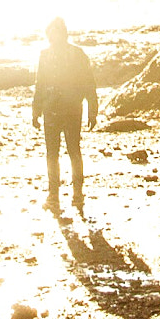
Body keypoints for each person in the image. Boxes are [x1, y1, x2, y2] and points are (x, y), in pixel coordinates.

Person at [32, 17, 98, 213]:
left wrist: (92, 111)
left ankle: (77, 194)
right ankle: (54, 195)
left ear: (64, 33)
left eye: (57, 32)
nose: (53, 37)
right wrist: (35, 111)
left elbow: (89, 84)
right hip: (51, 111)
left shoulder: (77, 55)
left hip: (71, 110)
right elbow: (40, 84)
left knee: (73, 151)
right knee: (52, 154)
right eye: (51, 33)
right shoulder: (45, 55)